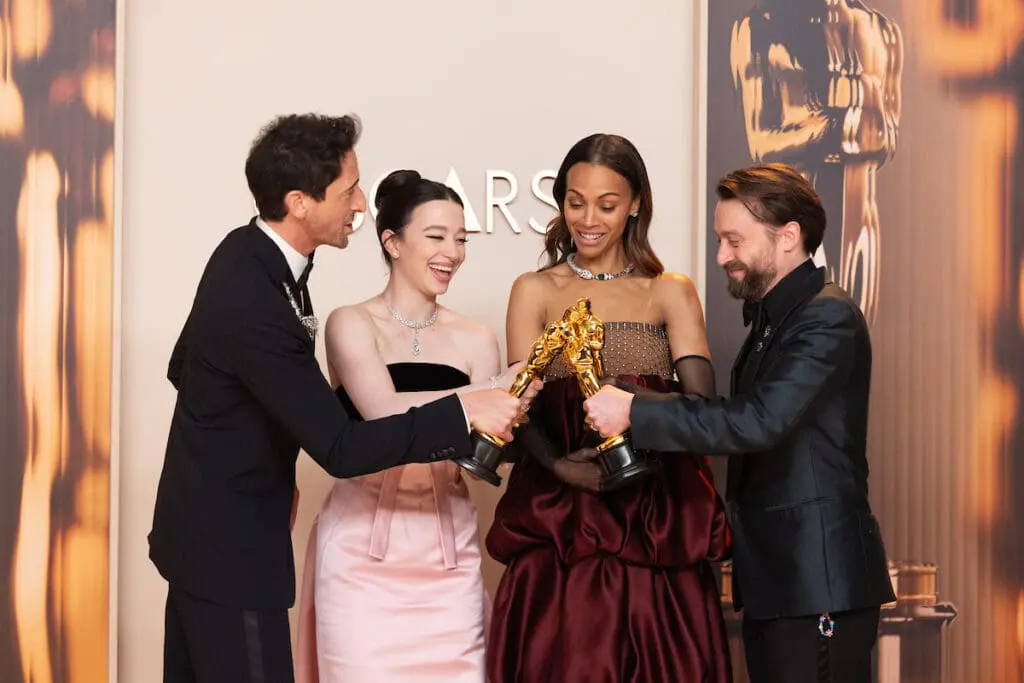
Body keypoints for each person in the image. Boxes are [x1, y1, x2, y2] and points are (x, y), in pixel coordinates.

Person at [147, 114, 529, 683]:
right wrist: (468, 405)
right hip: (229, 548)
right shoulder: (256, 291)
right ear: (300, 201)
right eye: (349, 189)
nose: (360, 204)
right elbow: (343, 448)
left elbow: (187, 366)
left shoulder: (250, 255)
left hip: (210, 534)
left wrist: (266, 458)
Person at [584, 163, 895, 683]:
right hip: (781, 584)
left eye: (734, 241)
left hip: (817, 585)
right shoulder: (777, 319)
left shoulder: (827, 316)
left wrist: (634, 411)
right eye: (720, 240)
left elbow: (756, 422)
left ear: (789, 236)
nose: (722, 256)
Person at [486, 133, 733, 683]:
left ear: (636, 202)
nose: (588, 218)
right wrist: (558, 466)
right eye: (575, 202)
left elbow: (703, 409)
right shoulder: (534, 290)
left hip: (654, 516)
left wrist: (635, 403)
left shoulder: (669, 291)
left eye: (607, 203)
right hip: (560, 523)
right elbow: (518, 403)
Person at [293, 170, 514, 683]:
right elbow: (385, 415)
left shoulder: (477, 338)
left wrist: (514, 407)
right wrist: (488, 392)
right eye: (436, 237)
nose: (452, 252)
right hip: (359, 557)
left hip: (446, 556)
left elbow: (485, 452)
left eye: (461, 239)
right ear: (392, 242)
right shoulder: (351, 322)